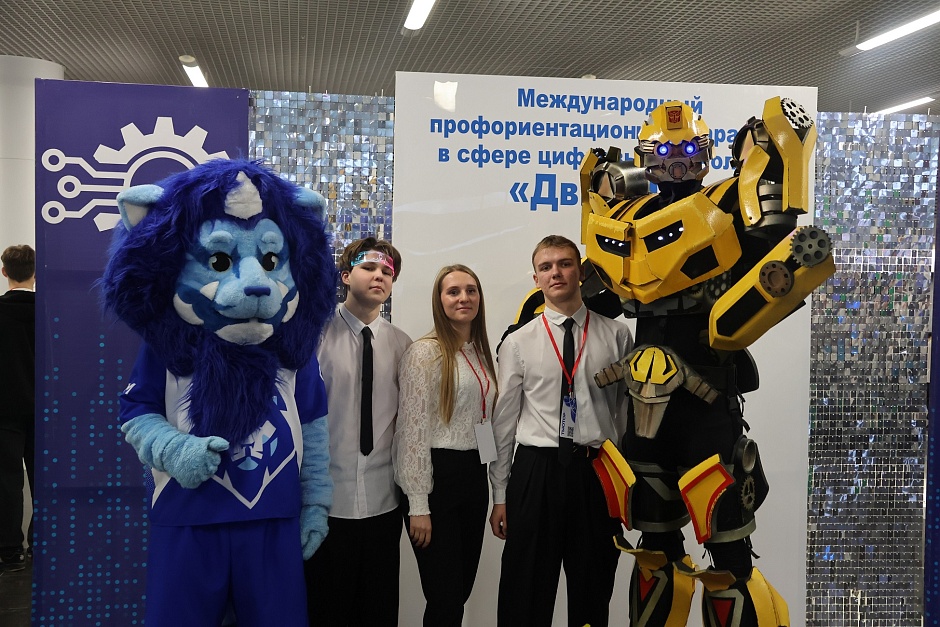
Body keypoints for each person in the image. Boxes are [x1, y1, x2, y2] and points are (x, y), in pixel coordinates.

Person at [488, 235, 633, 627]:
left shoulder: (617, 335)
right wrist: (499, 495)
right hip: (536, 471)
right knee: (525, 588)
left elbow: (625, 412)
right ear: (536, 278)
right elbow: (503, 423)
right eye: (546, 267)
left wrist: (626, 483)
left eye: (565, 264)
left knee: (593, 586)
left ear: (580, 272)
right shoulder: (518, 342)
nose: (556, 273)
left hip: (596, 472)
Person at [305, 237, 412, 626]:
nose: (379, 276)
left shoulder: (403, 346)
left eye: (387, 272)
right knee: (326, 611)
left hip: (384, 502)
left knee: (378, 611)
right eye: (369, 268)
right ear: (347, 276)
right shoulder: (314, 338)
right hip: (327, 504)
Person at [394, 264, 497, 626]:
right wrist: (418, 504)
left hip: (474, 477)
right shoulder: (424, 353)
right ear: (439, 301)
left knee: (459, 592)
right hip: (437, 481)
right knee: (445, 596)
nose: (463, 298)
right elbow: (411, 431)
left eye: (471, 290)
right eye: (453, 291)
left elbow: (484, 422)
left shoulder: (479, 353)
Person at [0, 244, 36, 573]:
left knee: (7, 482)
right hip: (45, 410)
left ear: (4, 272)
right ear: (35, 273)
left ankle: (10, 552)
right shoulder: (49, 311)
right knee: (43, 479)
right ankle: (41, 543)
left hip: (5, 410)